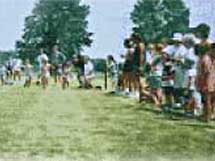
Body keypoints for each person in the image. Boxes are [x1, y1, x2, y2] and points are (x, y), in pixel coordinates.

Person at [197, 43, 215, 122]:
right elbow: (206, 72)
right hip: (209, 82)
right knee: (209, 101)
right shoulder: (208, 58)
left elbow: (206, 72)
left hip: (209, 82)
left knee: (208, 101)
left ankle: (207, 116)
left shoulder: (207, 58)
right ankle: (209, 116)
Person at [131, 34, 145, 100]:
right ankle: (140, 94)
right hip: (135, 64)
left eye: (132, 38)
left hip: (138, 65)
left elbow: (141, 56)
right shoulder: (137, 45)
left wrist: (141, 65)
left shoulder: (140, 45)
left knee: (139, 79)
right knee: (136, 79)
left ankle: (140, 93)